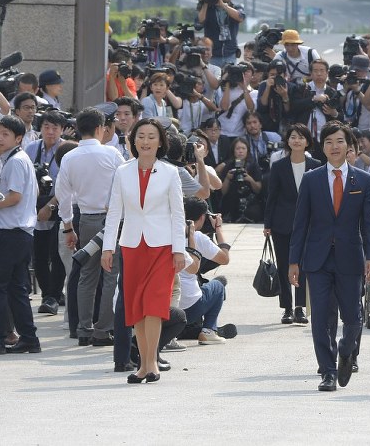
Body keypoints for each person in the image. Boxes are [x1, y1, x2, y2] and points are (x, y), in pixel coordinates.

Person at [288, 122, 370, 392]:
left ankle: (346, 349)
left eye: (339, 141)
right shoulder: (311, 178)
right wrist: (294, 260)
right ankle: (327, 371)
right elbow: (300, 223)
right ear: (323, 146)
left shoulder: (364, 181)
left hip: (351, 258)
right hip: (317, 259)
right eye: (328, 142)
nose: (334, 147)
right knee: (320, 318)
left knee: (352, 317)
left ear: (349, 146)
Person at [101, 118, 186, 384]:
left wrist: (179, 250)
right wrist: (108, 247)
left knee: (154, 304)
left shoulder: (170, 172)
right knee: (136, 305)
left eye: (151, 137)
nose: (146, 142)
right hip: (131, 245)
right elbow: (115, 211)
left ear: (161, 142)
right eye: (141, 136)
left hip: (162, 247)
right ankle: (144, 365)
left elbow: (178, 215)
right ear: (133, 141)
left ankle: (150, 363)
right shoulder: (122, 171)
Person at [56, 108, 125, 346]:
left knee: (87, 275)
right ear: (100, 128)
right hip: (112, 221)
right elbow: (125, 184)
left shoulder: (69, 157)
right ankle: (103, 330)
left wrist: (67, 226)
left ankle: (83, 328)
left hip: (85, 219)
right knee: (110, 276)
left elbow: (63, 196)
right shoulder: (112, 154)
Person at [264, 123, 321, 325]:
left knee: (304, 265)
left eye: (301, 137)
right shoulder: (279, 166)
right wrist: (267, 223)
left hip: (309, 224)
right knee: (283, 265)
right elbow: (272, 196)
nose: (296, 141)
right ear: (287, 141)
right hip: (282, 223)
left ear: (307, 141)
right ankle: (287, 308)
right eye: (293, 137)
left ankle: (300, 307)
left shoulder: (315, 165)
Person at [0, 115, 41, 354]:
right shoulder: (13, 158)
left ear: (18, 138)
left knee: (4, 288)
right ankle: (28, 338)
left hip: (11, 233)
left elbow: (15, 197)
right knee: (17, 289)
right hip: (20, 233)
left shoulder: (15, 161)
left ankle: (5, 339)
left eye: (5, 134)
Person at [26, 110, 65, 316]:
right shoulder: (32, 148)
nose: (50, 132)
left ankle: (52, 295)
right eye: (46, 127)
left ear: (62, 129)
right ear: (40, 129)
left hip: (58, 205)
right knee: (39, 254)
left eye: (55, 128)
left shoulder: (66, 149)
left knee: (57, 253)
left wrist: (49, 205)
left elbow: (67, 184)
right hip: (34, 206)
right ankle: (49, 294)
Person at [180, 197, 230, 344]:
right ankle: (208, 330)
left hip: (165, 310)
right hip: (189, 308)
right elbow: (224, 259)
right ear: (202, 217)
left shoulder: (168, 233)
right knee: (219, 286)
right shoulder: (197, 237)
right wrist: (218, 229)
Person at [196, 0, 245, 68]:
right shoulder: (208, 9)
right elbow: (200, 22)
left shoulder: (236, 7)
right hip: (212, 56)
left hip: (230, 54)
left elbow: (240, 17)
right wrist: (205, 2)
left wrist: (223, 5)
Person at [217, 138, 262, 222]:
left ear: (247, 150)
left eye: (243, 148)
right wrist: (227, 178)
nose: (240, 151)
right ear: (233, 151)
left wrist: (250, 179)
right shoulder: (229, 165)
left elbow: (258, 189)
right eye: (237, 148)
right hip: (232, 200)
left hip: (249, 200)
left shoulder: (253, 165)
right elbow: (223, 192)